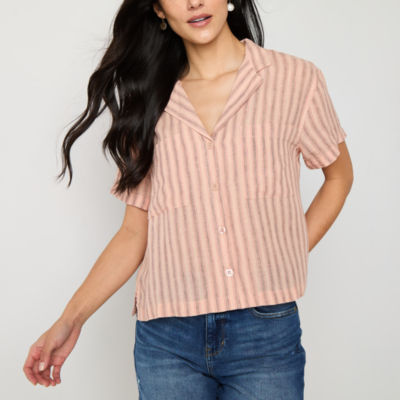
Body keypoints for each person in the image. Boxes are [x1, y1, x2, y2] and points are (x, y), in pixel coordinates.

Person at [23, 0, 353, 398]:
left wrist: (288, 250)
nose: (194, 2)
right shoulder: (147, 100)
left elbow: (339, 177)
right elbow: (134, 232)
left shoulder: (294, 80)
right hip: (167, 340)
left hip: (264, 333)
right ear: (160, 10)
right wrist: (71, 319)